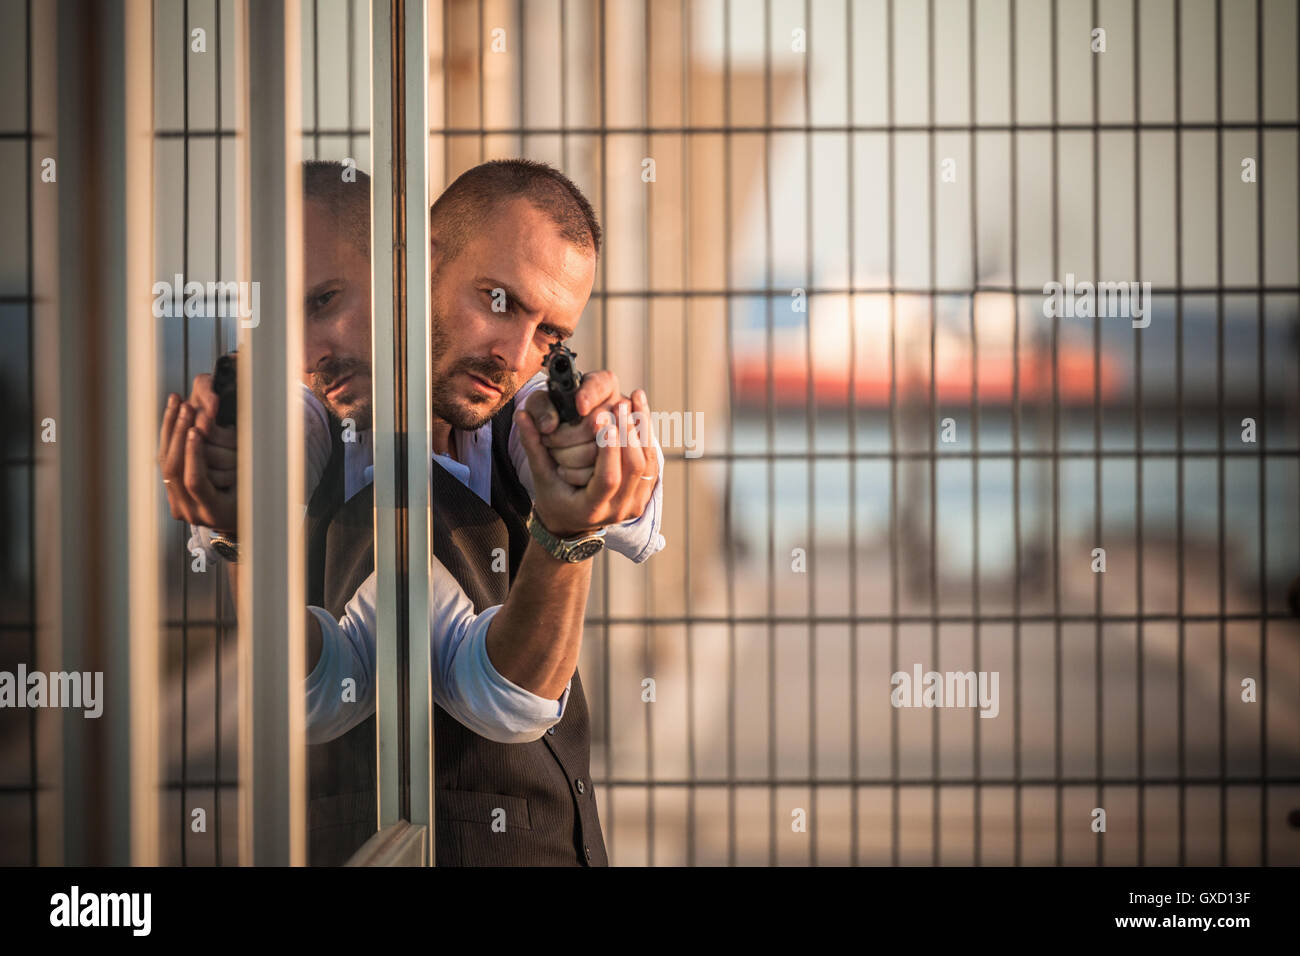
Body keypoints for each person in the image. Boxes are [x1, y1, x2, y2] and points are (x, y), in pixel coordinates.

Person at [159, 158, 664, 866]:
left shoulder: (514, 412)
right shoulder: (304, 442)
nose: (518, 354)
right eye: (498, 301)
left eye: (550, 333)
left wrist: (601, 448)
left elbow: (638, 502)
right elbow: (487, 701)